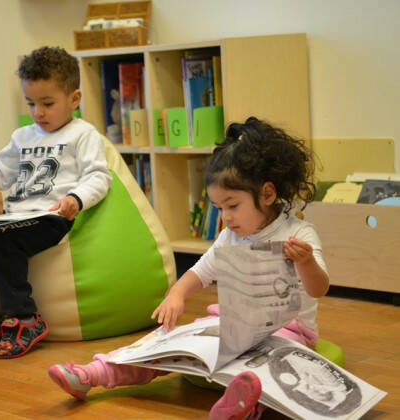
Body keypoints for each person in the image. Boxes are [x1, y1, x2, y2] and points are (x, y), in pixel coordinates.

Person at [48, 117, 330, 419]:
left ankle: (245, 406)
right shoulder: (229, 236)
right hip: (231, 326)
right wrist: (177, 294)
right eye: (219, 208)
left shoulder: (299, 234)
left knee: (271, 366)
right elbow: (201, 271)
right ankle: (93, 374)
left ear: (267, 194)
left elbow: (319, 289)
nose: (226, 217)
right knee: (163, 344)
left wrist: (306, 262)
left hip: (287, 332)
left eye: (233, 206)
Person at [0, 46, 111, 359]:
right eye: (31, 103)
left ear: (74, 99)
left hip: (51, 216)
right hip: (13, 215)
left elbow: (99, 177)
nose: (38, 113)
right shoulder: (23, 137)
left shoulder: (83, 134)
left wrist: (75, 199)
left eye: (47, 103)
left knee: (2, 243)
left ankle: (25, 319)